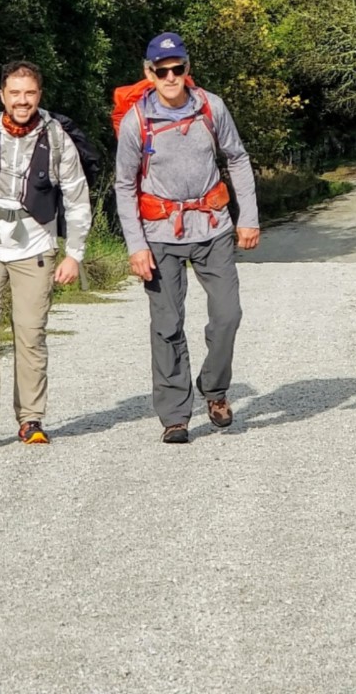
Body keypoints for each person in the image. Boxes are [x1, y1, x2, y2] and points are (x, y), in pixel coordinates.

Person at [113, 31, 260, 443]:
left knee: (228, 314)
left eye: (178, 68)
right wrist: (136, 246)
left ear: (187, 68)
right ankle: (176, 416)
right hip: (159, 234)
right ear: (149, 73)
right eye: (162, 71)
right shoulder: (136, 122)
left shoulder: (211, 108)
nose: (171, 76)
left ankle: (214, 390)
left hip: (213, 227)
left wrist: (248, 216)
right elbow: (124, 185)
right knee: (166, 324)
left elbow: (238, 157)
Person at [0, 61, 91, 446]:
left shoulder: (56, 138)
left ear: (39, 95)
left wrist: (74, 253)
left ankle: (31, 419)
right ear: (3, 95)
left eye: (30, 93)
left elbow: (76, 197)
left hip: (35, 246)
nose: (22, 101)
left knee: (30, 333)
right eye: (15, 93)